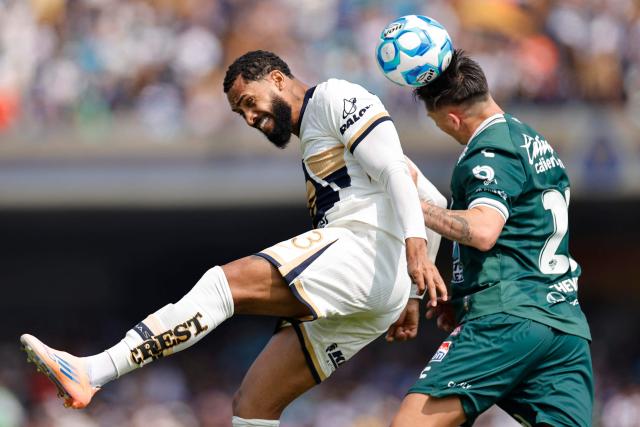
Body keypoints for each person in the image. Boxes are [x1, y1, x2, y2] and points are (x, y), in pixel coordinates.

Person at [20, 50, 449, 426]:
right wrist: (409, 295)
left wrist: (414, 253)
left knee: (223, 284)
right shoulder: (315, 134)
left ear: (277, 79)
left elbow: (395, 170)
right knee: (253, 404)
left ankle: (93, 370)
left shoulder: (335, 96)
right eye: (240, 112)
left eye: (250, 102)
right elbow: (430, 197)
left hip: (366, 249)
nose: (249, 118)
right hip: (375, 286)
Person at [391, 49, 594, 427]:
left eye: (438, 124)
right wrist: (464, 293)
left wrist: (415, 205)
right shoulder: (534, 141)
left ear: (452, 117)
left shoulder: (490, 148)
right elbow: (520, 235)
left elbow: (484, 231)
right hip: (564, 328)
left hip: (508, 319)